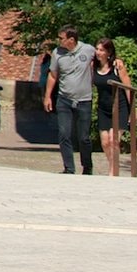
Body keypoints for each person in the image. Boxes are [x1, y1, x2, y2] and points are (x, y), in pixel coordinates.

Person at [43, 26, 97, 175]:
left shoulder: (88, 50)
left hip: (84, 100)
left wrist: (116, 61)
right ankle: (69, 168)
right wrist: (47, 96)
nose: (58, 40)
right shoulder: (57, 54)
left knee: (84, 137)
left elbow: (104, 57)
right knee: (64, 133)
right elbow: (53, 75)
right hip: (64, 99)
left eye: (61, 38)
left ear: (71, 40)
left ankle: (87, 167)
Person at [92, 37, 134, 174]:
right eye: (97, 49)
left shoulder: (117, 67)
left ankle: (112, 171)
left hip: (119, 107)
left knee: (113, 139)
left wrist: (133, 109)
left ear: (108, 52)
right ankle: (113, 166)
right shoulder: (93, 66)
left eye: (101, 50)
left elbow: (128, 87)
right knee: (105, 142)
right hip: (103, 108)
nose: (98, 52)